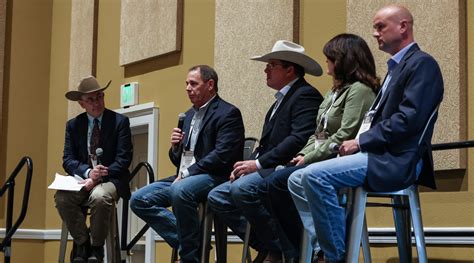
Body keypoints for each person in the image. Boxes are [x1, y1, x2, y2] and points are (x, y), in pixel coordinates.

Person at [288, 5, 444, 263]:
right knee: (296, 179)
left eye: (380, 26)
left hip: (396, 159)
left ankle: (334, 257)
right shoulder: (396, 69)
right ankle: (324, 249)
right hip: (377, 154)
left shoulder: (422, 64)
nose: (374, 34)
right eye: (374, 27)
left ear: (403, 26)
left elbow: (408, 120)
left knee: (315, 176)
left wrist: (360, 141)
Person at [254, 33, 379, 261]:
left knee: (275, 183)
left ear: (343, 59)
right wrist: (304, 153)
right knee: (278, 182)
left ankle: (318, 251)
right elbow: (318, 132)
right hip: (321, 156)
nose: (327, 62)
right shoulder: (333, 92)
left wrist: (310, 157)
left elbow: (345, 134)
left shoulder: (359, 90)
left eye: (330, 57)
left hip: (340, 158)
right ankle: (311, 248)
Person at [207, 40, 324, 263]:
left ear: (290, 70)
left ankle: (285, 250)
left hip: (287, 167)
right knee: (217, 196)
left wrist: (257, 165)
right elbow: (265, 145)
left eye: (272, 65)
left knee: (242, 189)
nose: (265, 70)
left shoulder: (305, 95)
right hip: (269, 167)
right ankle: (272, 245)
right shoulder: (278, 102)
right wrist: (246, 165)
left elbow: (298, 139)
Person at [130, 65, 245, 263]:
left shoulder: (228, 113)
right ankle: (194, 241)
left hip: (215, 176)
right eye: (186, 84)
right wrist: (175, 147)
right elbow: (180, 158)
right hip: (185, 176)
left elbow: (223, 155)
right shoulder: (188, 115)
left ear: (210, 85)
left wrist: (188, 172)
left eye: (193, 83)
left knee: (180, 191)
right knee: (139, 199)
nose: (187, 88)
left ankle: (189, 257)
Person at [55, 75, 133, 263]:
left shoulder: (120, 122)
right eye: (90, 99)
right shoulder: (73, 125)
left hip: (110, 179)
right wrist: (88, 173)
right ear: (82, 104)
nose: (96, 102)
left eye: (99, 96)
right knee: (62, 197)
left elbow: (123, 159)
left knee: (100, 197)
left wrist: (98, 177)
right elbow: (67, 160)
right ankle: (83, 243)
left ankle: (97, 248)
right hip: (83, 179)